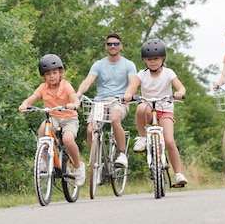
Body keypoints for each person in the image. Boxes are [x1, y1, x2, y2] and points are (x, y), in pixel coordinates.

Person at [19, 54, 85, 187]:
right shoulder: (43, 87)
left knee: (67, 139)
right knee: (43, 129)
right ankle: (43, 160)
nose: (52, 76)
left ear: (60, 73)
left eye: (55, 73)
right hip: (53, 117)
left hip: (69, 118)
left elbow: (75, 98)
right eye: (48, 74)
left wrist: (74, 105)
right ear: (43, 76)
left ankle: (78, 167)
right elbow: (32, 98)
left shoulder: (66, 85)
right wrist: (24, 104)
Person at [76, 33, 140, 169]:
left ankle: (122, 154)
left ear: (120, 46)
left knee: (115, 119)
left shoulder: (128, 64)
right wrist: (79, 93)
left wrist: (128, 94)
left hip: (119, 100)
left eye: (116, 44)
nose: (113, 46)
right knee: (90, 129)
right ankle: (95, 161)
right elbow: (87, 81)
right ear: (106, 46)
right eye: (110, 44)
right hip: (100, 101)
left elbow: (133, 83)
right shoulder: (99, 65)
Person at [132, 39, 188, 186]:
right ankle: (142, 138)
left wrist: (179, 93)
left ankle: (178, 174)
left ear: (163, 58)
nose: (152, 62)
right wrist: (127, 95)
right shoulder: (142, 74)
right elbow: (132, 87)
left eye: (156, 59)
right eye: (149, 59)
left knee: (169, 141)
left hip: (165, 110)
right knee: (140, 107)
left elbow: (181, 88)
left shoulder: (169, 73)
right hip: (149, 110)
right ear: (144, 60)